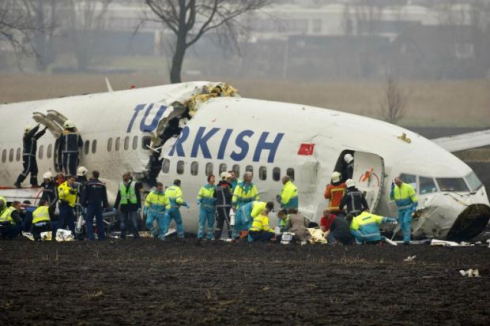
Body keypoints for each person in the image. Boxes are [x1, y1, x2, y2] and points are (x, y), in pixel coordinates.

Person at [82, 170, 109, 241]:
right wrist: (105, 205)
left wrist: (83, 204)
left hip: (91, 205)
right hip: (99, 205)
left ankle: (91, 237)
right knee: (99, 221)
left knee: (89, 220)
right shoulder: (102, 184)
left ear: (93, 175)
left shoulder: (88, 184)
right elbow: (104, 196)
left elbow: (85, 195)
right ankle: (101, 237)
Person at [390, 177, 418, 245]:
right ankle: (405, 238)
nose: (398, 184)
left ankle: (407, 239)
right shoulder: (395, 188)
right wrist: (392, 190)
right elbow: (392, 198)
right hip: (400, 209)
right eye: (397, 183)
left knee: (406, 221)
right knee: (402, 223)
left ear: (401, 181)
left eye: (399, 183)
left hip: (408, 208)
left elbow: (414, 197)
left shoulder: (408, 187)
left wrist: (414, 206)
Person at [114, 172, 142, 240]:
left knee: (126, 221)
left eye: (124, 176)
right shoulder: (132, 184)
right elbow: (119, 196)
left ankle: (126, 236)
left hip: (127, 205)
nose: (124, 178)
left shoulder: (128, 184)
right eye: (124, 176)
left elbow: (119, 196)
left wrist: (115, 206)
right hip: (129, 205)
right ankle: (132, 236)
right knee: (130, 221)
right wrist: (139, 206)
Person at [197, 175, 217, 241]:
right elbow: (200, 195)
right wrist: (198, 200)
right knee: (202, 222)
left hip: (211, 208)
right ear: (209, 179)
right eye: (212, 178)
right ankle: (199, 236)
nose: (213, 179)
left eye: (214, 178)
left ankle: (209, 237)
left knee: (211, 223)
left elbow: (217, 197)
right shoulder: (204, 187)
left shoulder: (216, 188)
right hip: (204, 208)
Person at [214, 172, 233, 240]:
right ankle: (231, 236)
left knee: (220, 222)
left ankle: (216, 236)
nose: (229, 180)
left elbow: (214, 195)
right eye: (228, 178)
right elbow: (228, 195)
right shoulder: (226, 186)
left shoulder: (217, 186)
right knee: (229, 221)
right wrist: (232, 194)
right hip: (225, 206)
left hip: (219, 206)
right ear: (225, 178)